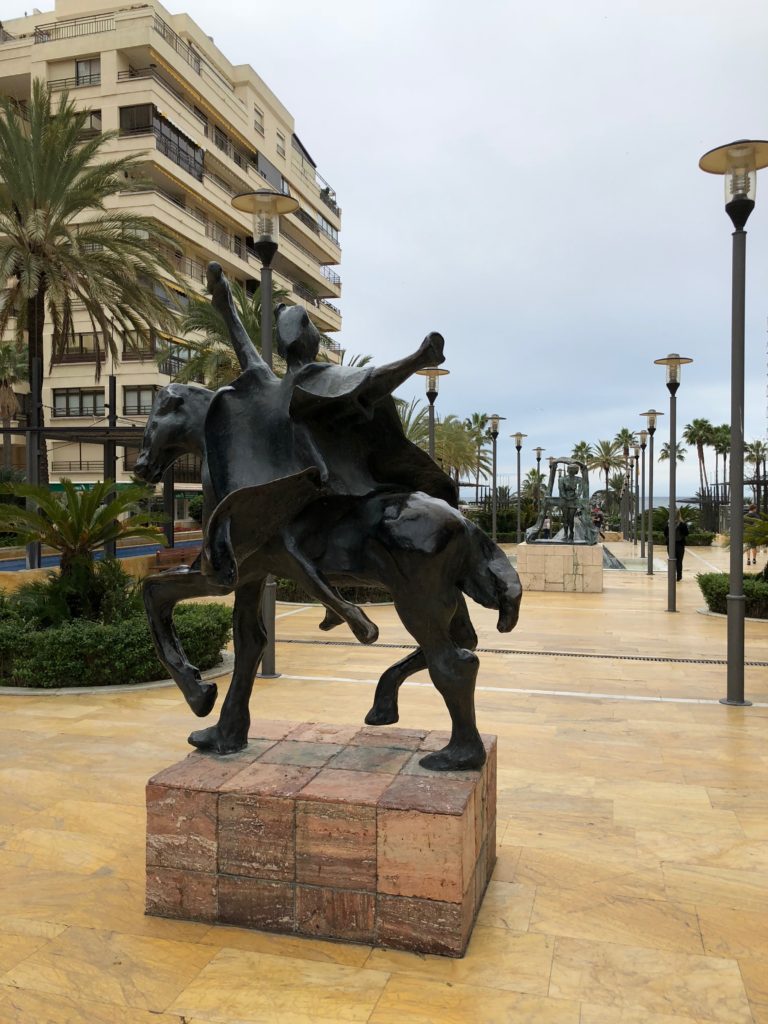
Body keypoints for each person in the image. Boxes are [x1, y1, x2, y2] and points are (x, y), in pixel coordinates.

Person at [663, 516, 690, 581]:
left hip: (671, 544)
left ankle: (672, 575)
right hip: (680, 544)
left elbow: (665, 533)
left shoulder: (669, 524)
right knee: (679, 561)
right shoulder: (682, 524)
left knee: (672, 560)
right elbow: (686, 533)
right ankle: (679, 576)